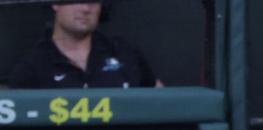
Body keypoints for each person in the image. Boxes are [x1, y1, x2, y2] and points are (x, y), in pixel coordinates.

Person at [9, 2, 163, 89]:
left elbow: (160, 100)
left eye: (93, 1)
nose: (86, 9)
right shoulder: (32, 66)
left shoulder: (124, 52)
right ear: (56, 4)